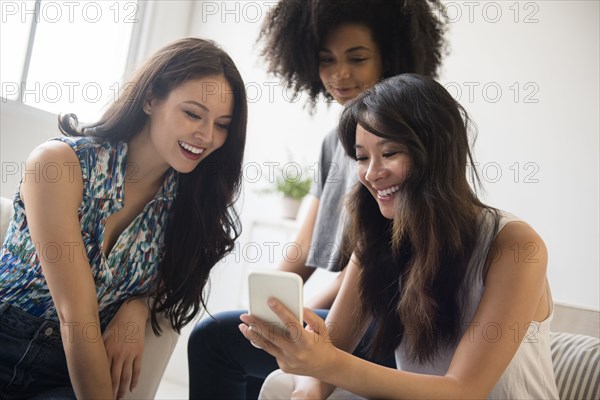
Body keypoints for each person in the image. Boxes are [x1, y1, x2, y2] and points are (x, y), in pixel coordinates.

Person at [239, 73, 560, 400]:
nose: (371, 173)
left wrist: (324, 362)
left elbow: (464, 390)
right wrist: (308, 387)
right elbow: (328, 350)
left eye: (390, 153)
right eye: (362, 157)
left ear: (436, 153)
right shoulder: (377, 239)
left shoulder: (515, 246)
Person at [187, 0, 446, 398]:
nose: (339, 74)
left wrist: (298, 321)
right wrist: (266, 306)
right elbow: (303, 247)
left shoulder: (410, 142)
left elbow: (366, 273)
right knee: (251, 336)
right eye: (327, 60)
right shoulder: (334, 142)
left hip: (390, 325)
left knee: (212, 340)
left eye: (357, 58)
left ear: (390, 56)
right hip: (352, 311)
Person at [0, 37, 247, 399]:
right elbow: (75, 316)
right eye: (193, 114)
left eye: (223, 124)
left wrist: (139, 306)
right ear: (150, 99)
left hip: (65, 377)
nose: (207, 136)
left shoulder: (189, 210)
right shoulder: (59, 166)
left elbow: (170, 284)